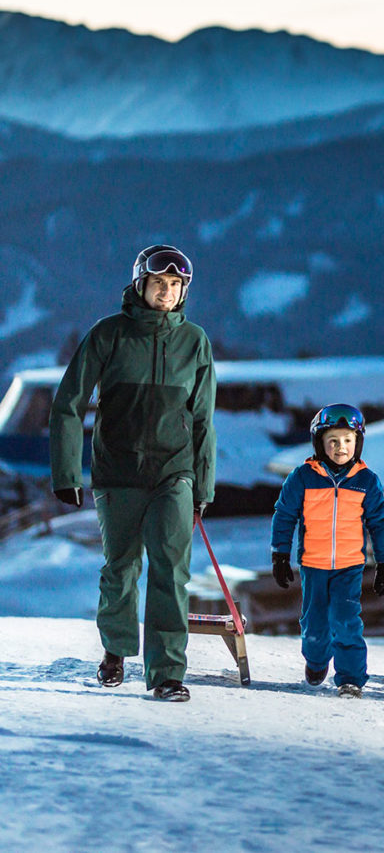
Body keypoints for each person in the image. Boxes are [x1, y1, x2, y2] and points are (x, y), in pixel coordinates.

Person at [49, 245, 216, 703]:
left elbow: (203, 419)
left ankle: (166, 673)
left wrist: (203, 484)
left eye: (175, 285)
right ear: (140, 285)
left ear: (184, 290)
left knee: (171, 570)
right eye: (159, 283)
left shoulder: (195, 342)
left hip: (174, 472)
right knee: (122, 567)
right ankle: (117, 650)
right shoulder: (109, 335)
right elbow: (68, 404)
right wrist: (67, 473)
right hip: (117, 471)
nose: (167, 292)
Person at [270, 403, 384, 697]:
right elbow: (284, 515)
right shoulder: (302, 477)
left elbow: (379, 523)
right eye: (333, 441)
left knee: (346, 619)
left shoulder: (366, 481)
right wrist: (279, 554)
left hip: (349, 565)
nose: (341, 447)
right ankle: (315, 660)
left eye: (348, 440)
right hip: (313, 564)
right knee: (314, 622)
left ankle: (350, 676)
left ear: (358, 443)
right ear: (320, 443)